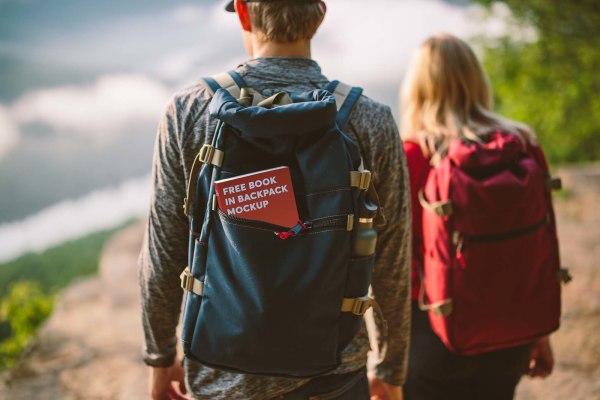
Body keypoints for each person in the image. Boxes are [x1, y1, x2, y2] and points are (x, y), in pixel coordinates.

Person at [139, 1, 412, 399]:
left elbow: (162, 255)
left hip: (220, 376)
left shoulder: (189, 111)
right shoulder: (370, 119)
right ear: (318, 14)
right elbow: (392, 261)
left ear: (245, 13)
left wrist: (160, 358)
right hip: (335, 374)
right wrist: (391, 369)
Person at [399, 34, 555, 400]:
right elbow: (539, 245)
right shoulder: (522, 144)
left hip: (432, 332)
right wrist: (539, 334)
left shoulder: (412, 153)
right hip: (512, 330)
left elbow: (394, 262)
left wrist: (385, 363)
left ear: (418, 87)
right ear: (476, 80)